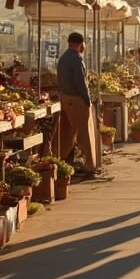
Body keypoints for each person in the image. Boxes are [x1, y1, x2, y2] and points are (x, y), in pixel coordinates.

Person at [57, 32, 97, 176]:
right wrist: (87, 100)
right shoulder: (76, 59)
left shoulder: (63, 58)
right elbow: (80, 82)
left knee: (70, 133)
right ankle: (90, 166)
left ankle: (59, 161)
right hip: (77, 99)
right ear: (81, 44)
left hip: (66, 99)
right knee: (84, 133)